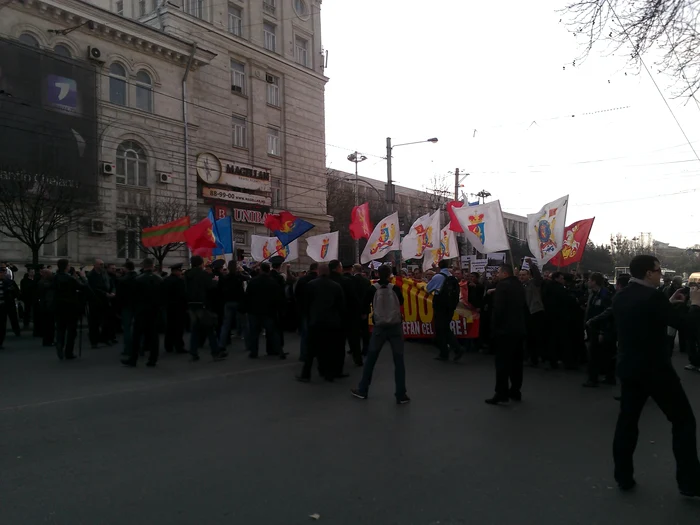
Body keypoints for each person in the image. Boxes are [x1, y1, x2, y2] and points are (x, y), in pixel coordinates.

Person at [611, 255, 700, 495]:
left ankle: (623, 476)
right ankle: (690, 482)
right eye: (658, 270)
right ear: (648, 273)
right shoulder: (652, 297)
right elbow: (687, 326)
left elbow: (646, 317)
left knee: (627, 423)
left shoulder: (621, 295)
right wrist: (695, 303)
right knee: (683, 422)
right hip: (656, 371)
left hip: (629, 368)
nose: (661, 274)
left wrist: (668, 302)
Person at [351, 264, 410, 404]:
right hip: (395, 326)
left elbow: (365, 304)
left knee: (371, 358)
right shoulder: (394, 288)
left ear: (377, 274)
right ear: (390, 275)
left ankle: (363, 389)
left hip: (379, 327)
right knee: (399, 360)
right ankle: (401, 394)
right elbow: (401, 301)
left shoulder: (373, 288)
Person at [485, 264, 527, 405]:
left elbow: (499, 310)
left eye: (498, 272)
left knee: (502, 363)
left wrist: (494, 329)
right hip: (518, 329)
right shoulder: (519, 285)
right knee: (516, 362)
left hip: (504, 331)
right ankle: (515, 390)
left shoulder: (503, 286)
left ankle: (501, 393)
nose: (497, 274)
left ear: (504, 273)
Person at [297, 263, 345, 382]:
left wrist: (307, 318)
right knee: (329, 349)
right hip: (331, 322)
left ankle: (306, 374)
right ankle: (328, 374)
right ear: (328, 272)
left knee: (311, 349)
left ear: (318, 272)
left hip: (315, 321)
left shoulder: (311, 285)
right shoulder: (336, 286)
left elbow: (305, 304)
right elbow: (341, 306)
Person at [185, 255, 227, 362]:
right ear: (200, 264)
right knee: (209, 329)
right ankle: (215, 352)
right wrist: (215, 281)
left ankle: (193, 352)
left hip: (191, 305)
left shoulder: (187, 274)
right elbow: (210, 287)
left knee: (195, 329)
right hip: (202, 305)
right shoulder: (203, 274)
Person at [123, 259, 163, 367]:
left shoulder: (138, 279)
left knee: (137, 336)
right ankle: (153, 359)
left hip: (141, 311)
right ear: (153, 266)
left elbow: (133, 297)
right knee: (154, 337)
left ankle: (133, 359)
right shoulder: (159, 279)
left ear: (144, 266)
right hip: (154, 311)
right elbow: (162, 297)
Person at [244, 262, 283, 359]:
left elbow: (247, 295)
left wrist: (247, 308)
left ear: (261, 270)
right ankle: (274, 350)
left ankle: (254, 352)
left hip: (254, 310)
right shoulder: (272, 282)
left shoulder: (253, 281)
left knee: (254, 333)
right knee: (271, 332)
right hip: (268, 311)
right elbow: (278, 297)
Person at [53, 260, 89, 360]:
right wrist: (83, 277)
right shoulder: (70, 278)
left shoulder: (56, 277)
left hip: (59, 306)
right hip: (71, 307)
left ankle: (60, 344)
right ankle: (68, 352)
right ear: (66, 266)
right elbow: (83, 287)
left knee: (61, 328)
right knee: (71, 330)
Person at [582, 272, 614, 388]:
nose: (588, 282)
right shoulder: (594, 294)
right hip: (592, 327)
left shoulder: (604, 295)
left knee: (595, 355)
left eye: (590, 280)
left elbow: (607, 314)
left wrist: (602, 331)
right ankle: (609, 377)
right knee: (603, 354)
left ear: (595, 281)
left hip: (599, 329)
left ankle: (593, 379)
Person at [427, 259, 462, 361]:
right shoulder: (452, 277)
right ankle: (449, 351)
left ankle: (453, 350)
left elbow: (428, 289)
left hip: (440, 306)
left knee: (441, 329)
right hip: (450, 306)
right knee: (444, 328)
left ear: (439, 266)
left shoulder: (437, 277)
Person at [329, 259, 362, 369]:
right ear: (338, 268)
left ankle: (333, 363)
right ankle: (357, 359)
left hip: (331, 316)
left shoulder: (326, 280)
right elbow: (353, 299)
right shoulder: (346, 281)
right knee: (353, 338)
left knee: (336, 342)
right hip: (349, 314)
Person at [520, 261, 546, 367]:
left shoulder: (534, 283)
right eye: (520, 275)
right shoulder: (519, 285)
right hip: (524, 313)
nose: (521, 277)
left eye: (524, 275)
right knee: (526, 337)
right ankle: (527, 356)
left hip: (535, 312)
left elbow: (537, 276)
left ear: (529, 276)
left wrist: (531, 265)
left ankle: (536, 358)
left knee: (535, 336)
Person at [218, 261, 247, 353]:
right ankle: (249, 345)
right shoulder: (239, 276)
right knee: (244, 325)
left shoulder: (225, 278)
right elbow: (248, 277)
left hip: (228, 302)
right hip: (239, 302)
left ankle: (221, 344)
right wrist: (242, 271)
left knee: (226, 325)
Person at [294, 262, 318, 362]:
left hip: (304, 310)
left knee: (305, 334)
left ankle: (304, 355)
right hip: (315, 310)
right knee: (316, 334)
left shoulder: (302, 280)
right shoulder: (317, 280)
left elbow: (296, 294)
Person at [162, 263, 188, 354]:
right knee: (178, 327)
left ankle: (168, 346)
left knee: (169, 327)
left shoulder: (166, 280)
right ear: (176, 271)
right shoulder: (179, 281)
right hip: (178, 307)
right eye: (180, 270)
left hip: (169, 307)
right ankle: (179, 346)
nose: (180, 272)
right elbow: (183, 295)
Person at [87, 259, 111, 348]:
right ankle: (94, 341)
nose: (102, 266)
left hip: (105, 300)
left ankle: (105, 338)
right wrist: (105, 293)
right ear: (95, 265)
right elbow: (94, 288)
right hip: (95, 301)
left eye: (103, 264)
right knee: (94, 323)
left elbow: (109, 283)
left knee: (106, 321)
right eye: (100, 264)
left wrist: (111, 291)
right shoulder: (91, 275)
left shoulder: (104, 273)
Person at [116, 260, 138, 357]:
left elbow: (119, 297)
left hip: (126, 307)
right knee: (137, 328)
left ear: (126, 268)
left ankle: (128, 349)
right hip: (137, 306)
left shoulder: (122, 280)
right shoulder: (138, 278)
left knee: (127, 329)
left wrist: (118, 309)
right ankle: (138, 348)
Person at [351, 263, 373, 355]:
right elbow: (368, 296)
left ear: (354, 270)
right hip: (365, 309)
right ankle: (366, 348)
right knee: (365, 330)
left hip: (354, 309)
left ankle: (354, 349)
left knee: (354, 330)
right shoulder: (366, 281)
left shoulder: (351, 280)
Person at [0, 262, 20, 349]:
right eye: (2, 272)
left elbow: (17, 293)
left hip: (7, 305)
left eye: (4, 271)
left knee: (3, 325)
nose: (4, 273)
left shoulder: (9, 282)